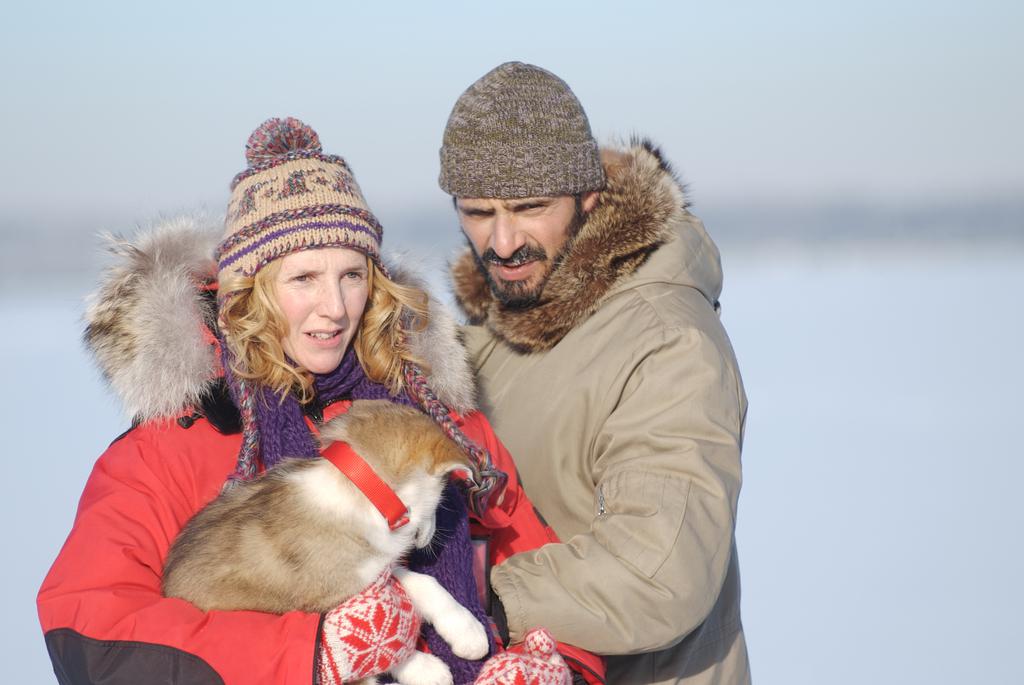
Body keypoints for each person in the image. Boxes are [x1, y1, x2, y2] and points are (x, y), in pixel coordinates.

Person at [38, 117, 603, 685]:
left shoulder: (438, 423)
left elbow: (551, 582)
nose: (334, 306)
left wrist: (561, 670)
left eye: (352, 275)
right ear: (249, 291)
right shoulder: (169, 449)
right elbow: (93, 638)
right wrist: (309, 655)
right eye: (304, 278)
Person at [438, 62, 750, 684]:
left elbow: (658, 572)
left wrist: (469, 592)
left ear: (590, 198)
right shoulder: (498, 327)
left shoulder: (666, 343)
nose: (502, 241)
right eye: (478, 212)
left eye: (529, 207)